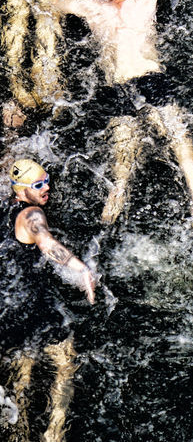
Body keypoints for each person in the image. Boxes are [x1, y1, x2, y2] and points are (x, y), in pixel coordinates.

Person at [50, 0, 193, 228]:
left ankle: (112, 207)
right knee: (181, 143)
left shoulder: (91, 7)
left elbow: (49, 1)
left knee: (122, 165)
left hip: (116, 87)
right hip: (149, 79)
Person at [3, 159, 97, 442]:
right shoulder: (30, 214)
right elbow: (45, 241)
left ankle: (18, 434)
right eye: (38, 184)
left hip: (6, 310)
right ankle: (54, 433)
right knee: (66, 362)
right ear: (21, 193)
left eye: (47, 179)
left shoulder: (5, 207)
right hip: (32, 307)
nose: (47, 187)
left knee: (23, 372)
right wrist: (82, 271)